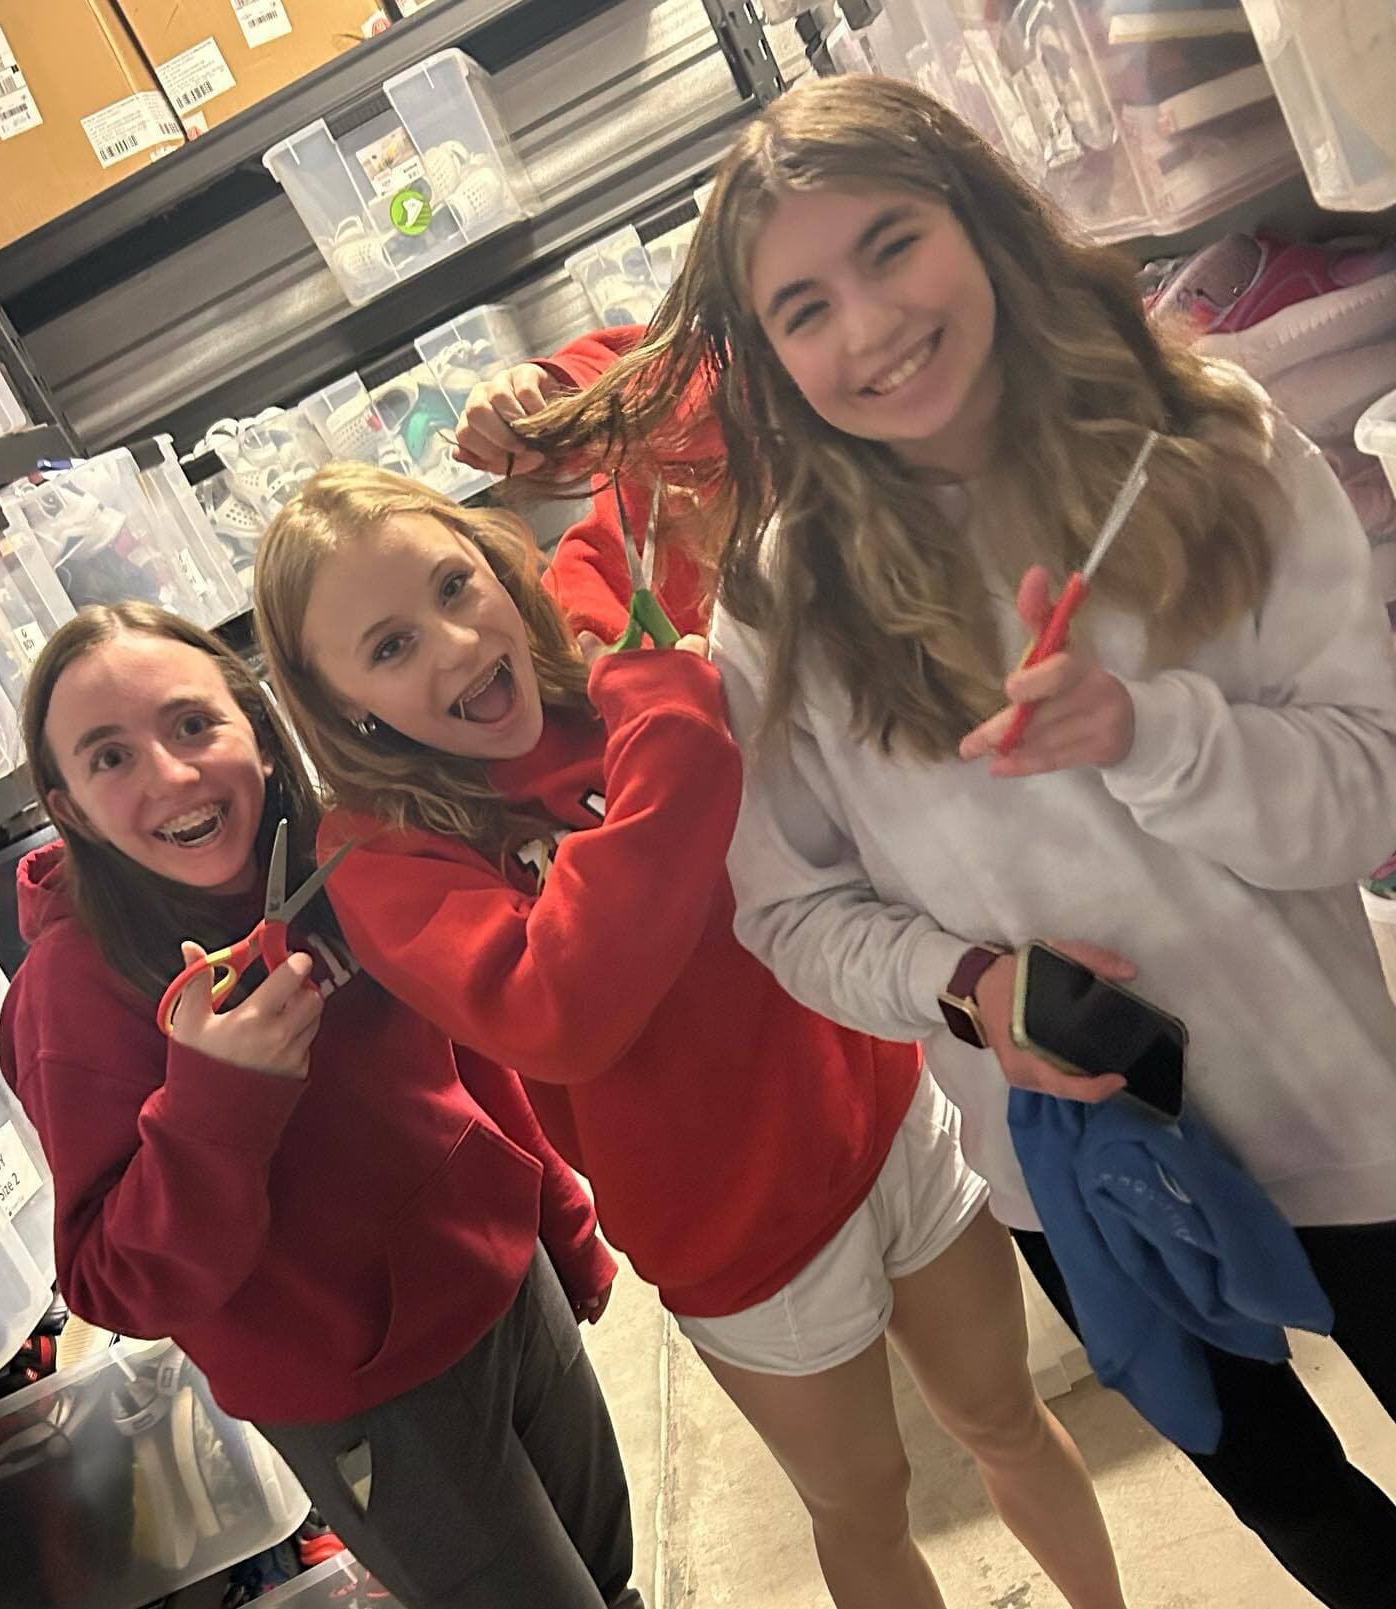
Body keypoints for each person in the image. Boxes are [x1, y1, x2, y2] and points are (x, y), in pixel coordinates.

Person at [493, 72, 1396, 1609]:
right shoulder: (780, 598)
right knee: (1296, 1501)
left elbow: (1368, 792)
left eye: (892, 245)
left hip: (1332, 1101)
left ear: (979, 217)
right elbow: (792, 913)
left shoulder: (1207, 446)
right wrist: (965, 985)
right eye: (803, 308)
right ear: (765, 354)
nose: (870, 328)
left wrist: (1150, 732)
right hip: (1078, 1169)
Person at [252, 465, 1128, 1609]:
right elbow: (560, 1012)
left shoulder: (594, 645)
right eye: (389, 647)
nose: (456, 645)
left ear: (496, 563)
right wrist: (672, 730)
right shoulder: (382, 849)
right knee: (867, 1509)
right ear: (340, 704)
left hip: (883, 1118)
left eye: (455, 585)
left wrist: (554, 398)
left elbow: (678, 427)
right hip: (740, 1241)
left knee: (1007, 1416)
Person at [0, 602, 644, 1609]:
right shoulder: (72, 992)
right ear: (69, 806)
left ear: (257, 730)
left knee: (609, 1572)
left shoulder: (341, 856)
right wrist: (217, 1100)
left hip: (508, 1282)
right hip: (369, 1395)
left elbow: (463, 1042)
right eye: (110, 757)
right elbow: (115, 1283)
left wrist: (557, 1213)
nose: (171, 775)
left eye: (192, 724)